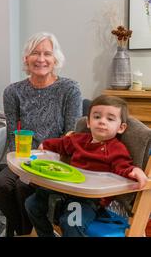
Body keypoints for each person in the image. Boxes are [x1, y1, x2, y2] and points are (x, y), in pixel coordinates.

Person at [0, 31, 82, 236]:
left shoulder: (69, 89)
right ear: (26, 59)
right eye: (35, 53)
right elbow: (13, 132)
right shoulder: (13, 91)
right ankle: (26, 232)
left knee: (24, 187)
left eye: (47, 54)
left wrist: (50, 152)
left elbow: (72, 134)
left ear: (55, 59)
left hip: (57, 159)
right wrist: (20, 162)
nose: (41, 59)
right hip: (23, 157)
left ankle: (31, 231)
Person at [25, 95, 148, 237]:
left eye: (110, 119)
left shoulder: (116, 149)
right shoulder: (78, 139)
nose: (102, 121)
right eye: (97, 117)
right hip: (66, 188)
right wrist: (45, 145)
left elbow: (123, 166)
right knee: (32, 204)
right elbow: (61, 144)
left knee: (71, 222)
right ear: (88, 122)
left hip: (88, 199)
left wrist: (133, 171)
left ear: (121, 128)